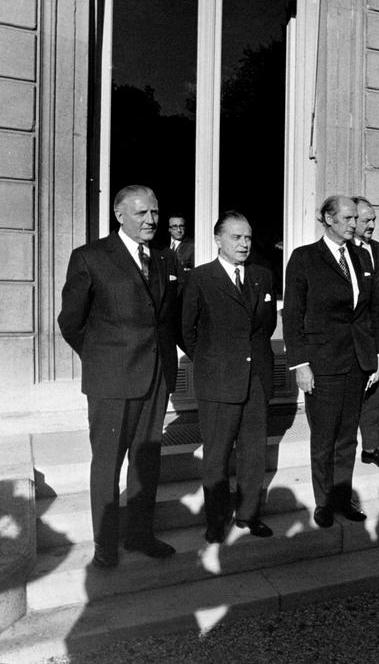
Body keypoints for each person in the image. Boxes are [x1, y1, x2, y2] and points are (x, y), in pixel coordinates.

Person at [57, 185, 180, 568]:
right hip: (112, 380)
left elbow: (165, 318)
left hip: (156, 377)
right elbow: (71, 322)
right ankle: (105, 546)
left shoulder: (162, 258)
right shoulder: (90, 257)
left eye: (155, 213)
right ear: (120, 215)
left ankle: (141, 535)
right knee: (108, 463)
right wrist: (103, 359)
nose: (151, 221)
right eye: (142, 213)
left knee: (147, 460)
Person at [283, 195, 379, 528]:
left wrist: (378, 356)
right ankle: (323, 502)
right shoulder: (305, 258)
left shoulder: (359, 256)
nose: (354, 224)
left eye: (356, 218)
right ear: (326, 218)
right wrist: (300, 364)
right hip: (322, 363)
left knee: (348, 438)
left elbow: (371, 312)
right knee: (324, 437)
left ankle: (343, 498)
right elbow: (293, 315)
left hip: (356, 360)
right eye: (347, 218)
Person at [181, 211, 277, 543]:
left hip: (256, 380)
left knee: (253, 454)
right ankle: (216, 519)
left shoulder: (262, 276)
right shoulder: (201, 278)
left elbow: (266, 328)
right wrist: (210, 361)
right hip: (218, 381)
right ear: (218, 240)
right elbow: (186, 330)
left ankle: (249, 514)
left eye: (248, 237)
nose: (244, 244)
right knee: (217, 455)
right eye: (236, 237)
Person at [352, 196, 379, 471]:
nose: (371, 224)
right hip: (354, 336)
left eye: (374, 219)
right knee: (353, 395)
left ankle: (371, 448)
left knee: (375, 396)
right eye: (366, 219)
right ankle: (346, 449)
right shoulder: (344, 251)